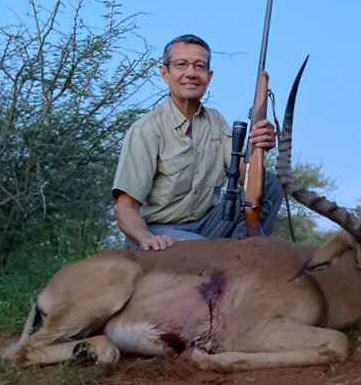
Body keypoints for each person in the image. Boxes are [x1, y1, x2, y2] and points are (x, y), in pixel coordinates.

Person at [113, 34, 283, 251]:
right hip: (159, 230)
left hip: (208, 225)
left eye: (199, 66)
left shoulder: (216, 121)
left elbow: (244, 176)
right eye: (181, 64)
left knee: (268, 183)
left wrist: (259, 147)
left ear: (208, 76)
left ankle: (243, 254)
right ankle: (229, 257)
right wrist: (145, 238)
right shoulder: (146, 130)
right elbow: (125, 208)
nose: (191, 73)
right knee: (202, 250)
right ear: (165, 73)